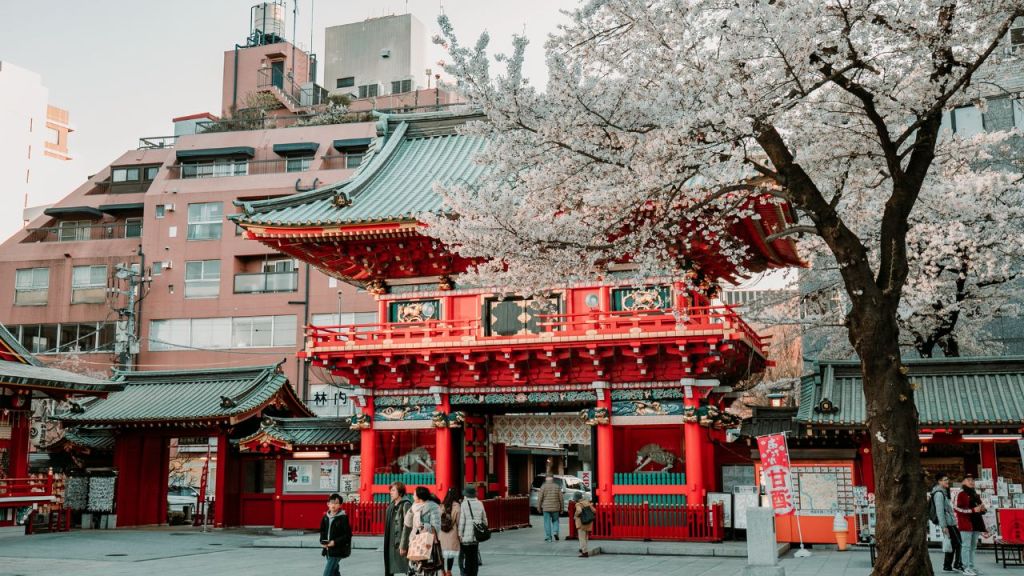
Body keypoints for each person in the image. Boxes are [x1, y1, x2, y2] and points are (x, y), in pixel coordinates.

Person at [954, 474, 987, 576]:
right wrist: (973, 510)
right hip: (966, 523)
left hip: (976, 523)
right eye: (968, 480)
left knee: (973, 547)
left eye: (973, 480)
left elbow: (979, 507)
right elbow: (956, 509)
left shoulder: (975, 493)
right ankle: (965, 567)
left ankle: (971, 567)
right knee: (966, 546)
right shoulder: (960, 493)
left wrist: (983, 509)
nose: (971, 482)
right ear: (963, 482)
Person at [405, 487, 442, 576]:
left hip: (427, 542)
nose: (413, 496)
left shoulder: (433, 507)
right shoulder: (414, 506)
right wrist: (410, 512)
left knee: (427, 568)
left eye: (414, 494)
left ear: (419, 496)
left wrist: (424, 526)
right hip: (415, 541)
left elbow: (436, 526)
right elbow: (408, 523)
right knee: (414, 568)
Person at [930, 473, 963, 573]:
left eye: (947, 479)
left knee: (952, 543)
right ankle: (957, 564)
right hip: (948, 523)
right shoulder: (939, 494)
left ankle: (948, 565)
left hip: (950, 522)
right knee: (958, 543)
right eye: (945, 480)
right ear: (939, 481)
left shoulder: (943, 492)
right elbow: (940, 511)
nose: (947, 481)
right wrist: (944, 526)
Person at [319, 493, 352, 576]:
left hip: (338, 550)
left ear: (340, 505)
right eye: (332, 502)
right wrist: (322, 542)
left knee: (327, 574)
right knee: (334, 572)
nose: (333, 505)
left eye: (336, 503)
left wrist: (335, 542)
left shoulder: (343, 518)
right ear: (328, 504)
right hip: (328, 549)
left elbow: (347, 535)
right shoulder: (325, 517)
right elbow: (322, 531)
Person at [458, 485, 487, 576]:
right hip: (476, 536)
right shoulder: (480, 503)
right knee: (474, 557)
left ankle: (467, 573)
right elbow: (485, 520)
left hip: (466, 537)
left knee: (467, 558)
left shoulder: (464, 504)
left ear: (466, 495)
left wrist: (460, 534)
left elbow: (462, 521)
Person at [385, 482, 413, 576]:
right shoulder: (392, 505)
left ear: (400, 492)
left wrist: (404, 545)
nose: (391, 492)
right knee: (390, 566)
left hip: (401, 542)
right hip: (391, 541)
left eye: (393, 490)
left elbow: (407, 526)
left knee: (407, 567)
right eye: (390, 490)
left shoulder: (406, 504)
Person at [438, 487, 462, 576]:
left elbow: (438, 519)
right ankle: (449, 571)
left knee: (442, 553)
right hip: (452, 532)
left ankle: (442, 571)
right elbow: (459, 521)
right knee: (450, 553)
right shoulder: (457, 506)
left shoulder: (442, 505)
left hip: (442, 533)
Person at [537, 474, 564, 542]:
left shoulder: (543, 487)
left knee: (547, 522)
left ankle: (548, 537)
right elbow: (561, 498)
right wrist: (562, 508)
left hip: (546, 508)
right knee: (555, 520)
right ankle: (555, 532)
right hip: (555, 507)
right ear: (553, 479)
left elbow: (540, 498)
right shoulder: (557, 486)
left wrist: (539, 507)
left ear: (546, 479)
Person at [572, 492, 594, 558]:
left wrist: (575, 516)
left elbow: (579, 511)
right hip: (588, 522)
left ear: (576, 498)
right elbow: (594, 510)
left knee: (582, 538)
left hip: (581, 523)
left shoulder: (578, 504)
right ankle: (584, 548)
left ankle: (584, 552)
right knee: (586, 537)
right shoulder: (587, 502)